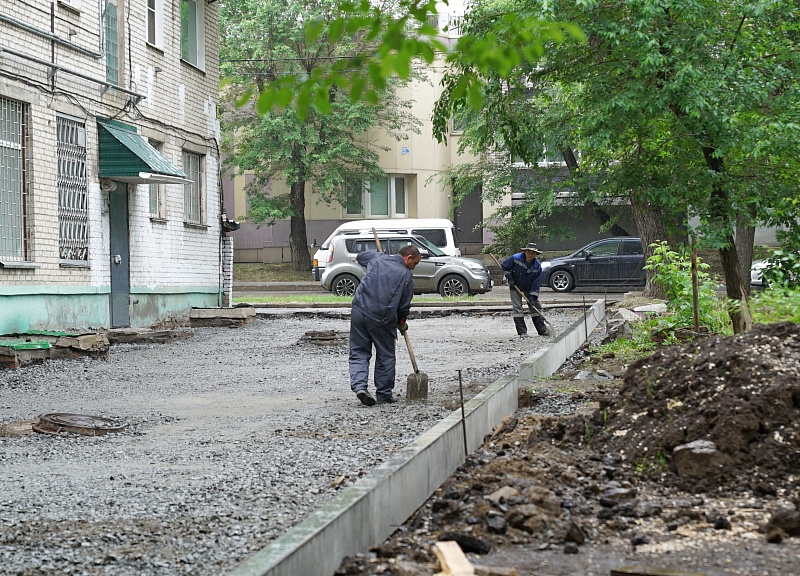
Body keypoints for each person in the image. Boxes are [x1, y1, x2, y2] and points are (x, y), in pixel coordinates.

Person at [349, 244, 422, 406]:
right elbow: (404, 306)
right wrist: (401, 322)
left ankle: (360, 387)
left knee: (359, 351)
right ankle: (383, 394)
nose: (414, 267)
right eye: (415, 263)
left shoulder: (377, 259)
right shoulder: (406, 276)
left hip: (359, 310)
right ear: (408, 258)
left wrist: (378, 255)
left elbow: (361, 257)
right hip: (382, 317)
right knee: (385, 355)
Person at [501, 243, 548, 337]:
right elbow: (504, 266)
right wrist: (510, 277)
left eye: (533, 253)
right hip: (515, 285)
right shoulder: (515, 258)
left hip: (529, 287)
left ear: (535, 254)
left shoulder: (537, 266)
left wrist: (533, 296)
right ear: (525, 252)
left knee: (535, 306)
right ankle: (522, 332)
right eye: (529, 252)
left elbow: (536, 282)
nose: (530, 255)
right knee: (517, 307)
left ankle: (542, 330)